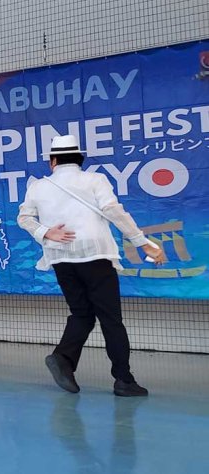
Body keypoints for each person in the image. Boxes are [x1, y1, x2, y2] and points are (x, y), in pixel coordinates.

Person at [17, 135, 165, 397]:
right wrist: (142, 242)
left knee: (82, 313)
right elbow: (113, 210)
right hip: (95, 255)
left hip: (61, 257)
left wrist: (45, 233)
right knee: (111, 319)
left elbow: (24, 217)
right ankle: (123, 380)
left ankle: (63, 357)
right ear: (79, 159)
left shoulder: (38, 186)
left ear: (53, 161)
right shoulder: (95, 180)